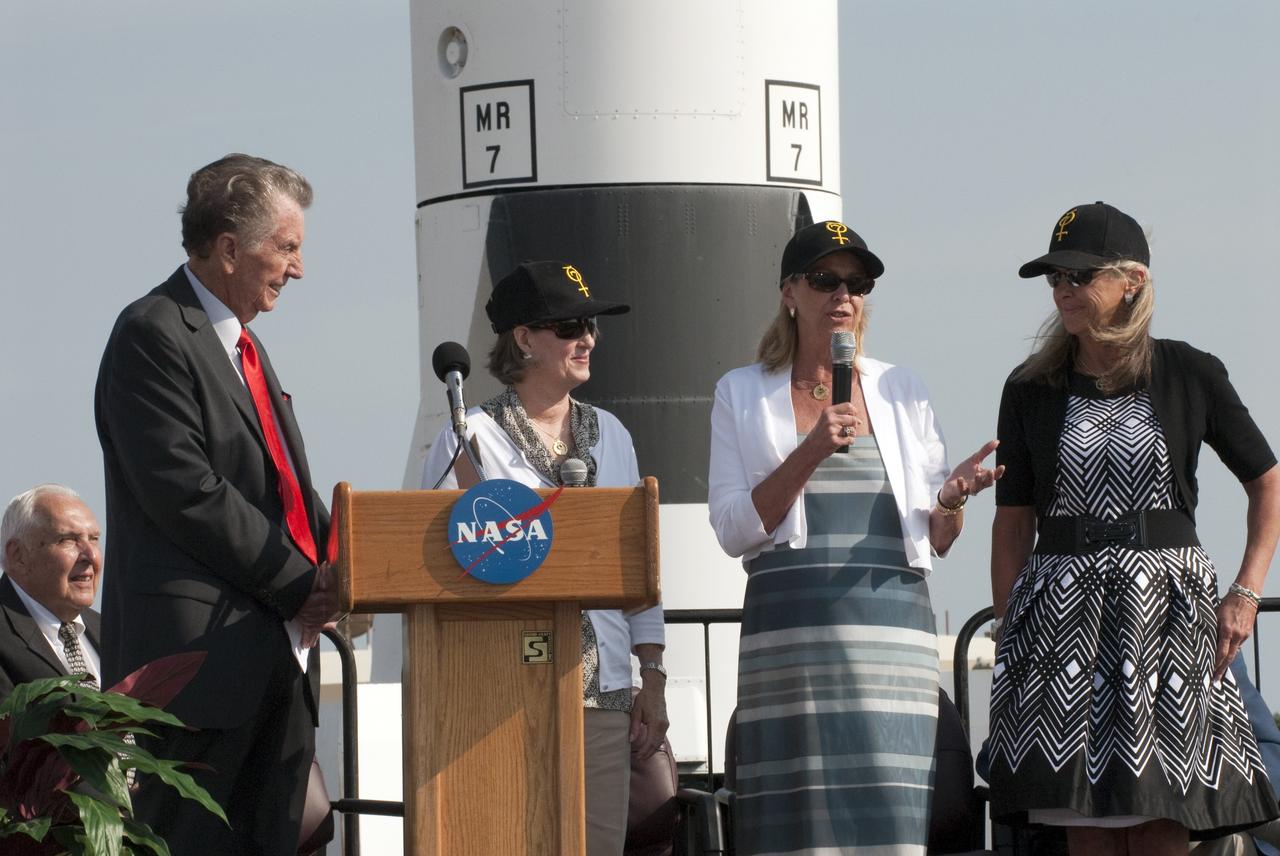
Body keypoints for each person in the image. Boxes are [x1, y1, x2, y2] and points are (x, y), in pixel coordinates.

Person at [988, 201, 1280, 854]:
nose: (1063, 290)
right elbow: (1012, 522)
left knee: (1159, 815)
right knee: (1084, 821)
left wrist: (1246, 592)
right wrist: (1011, 625)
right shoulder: (1029, 387)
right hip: (1061, 622)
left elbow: (1268, 482)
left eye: (1079, 276)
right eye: (1054, 279)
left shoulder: (1189, 371)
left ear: (1132, 282)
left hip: (1167, 618)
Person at [708, 220, 1002, 854]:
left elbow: (938, 538)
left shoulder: (902, 388)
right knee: (795, 822)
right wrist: (810, 451)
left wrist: (953, 498)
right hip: (792, 639)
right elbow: (733, 529)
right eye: (825, 280)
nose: (843, 296)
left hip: (888, 640)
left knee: (889, 814)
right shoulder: (742, 392)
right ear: (790, 292)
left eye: (858, 283)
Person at [95, 154, 341, 855]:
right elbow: (188, 491)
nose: (298, 269)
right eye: (287, 248)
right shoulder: (154, 333)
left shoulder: (246, 348)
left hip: (273, 661)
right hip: (197, 667)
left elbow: (286, 492)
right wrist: (304, 585)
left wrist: (350, 558)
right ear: (231, 247)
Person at [421, 260, 668, 856]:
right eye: (569, 325)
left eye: (590, 324)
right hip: (500, 688)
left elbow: (639, 564)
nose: (587, 338)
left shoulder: (613, 434)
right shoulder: (468, 435)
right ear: (524, 339)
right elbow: (423, 557)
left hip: (603, 693)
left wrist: (652, 676)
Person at [0, 484, 103, 700]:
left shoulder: (112, 631)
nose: (91, 556)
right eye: (68, 540)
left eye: (94, 539)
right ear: (18, 555)